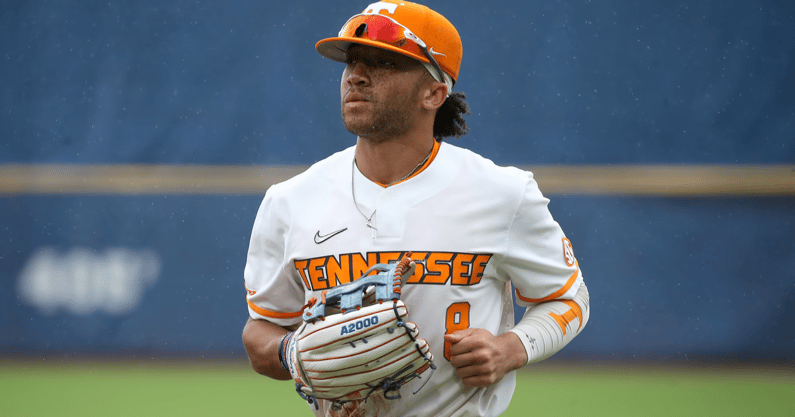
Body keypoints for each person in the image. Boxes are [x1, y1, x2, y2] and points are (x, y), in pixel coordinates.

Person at [241, 1, 590, 416]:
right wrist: (291, 352)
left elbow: (570, 299)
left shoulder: (502, 193)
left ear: (435, 93)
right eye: (352, 61)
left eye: (384, 62)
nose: (356, 75)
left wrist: (510, 347)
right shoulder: (290, 200)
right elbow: (261, 329)